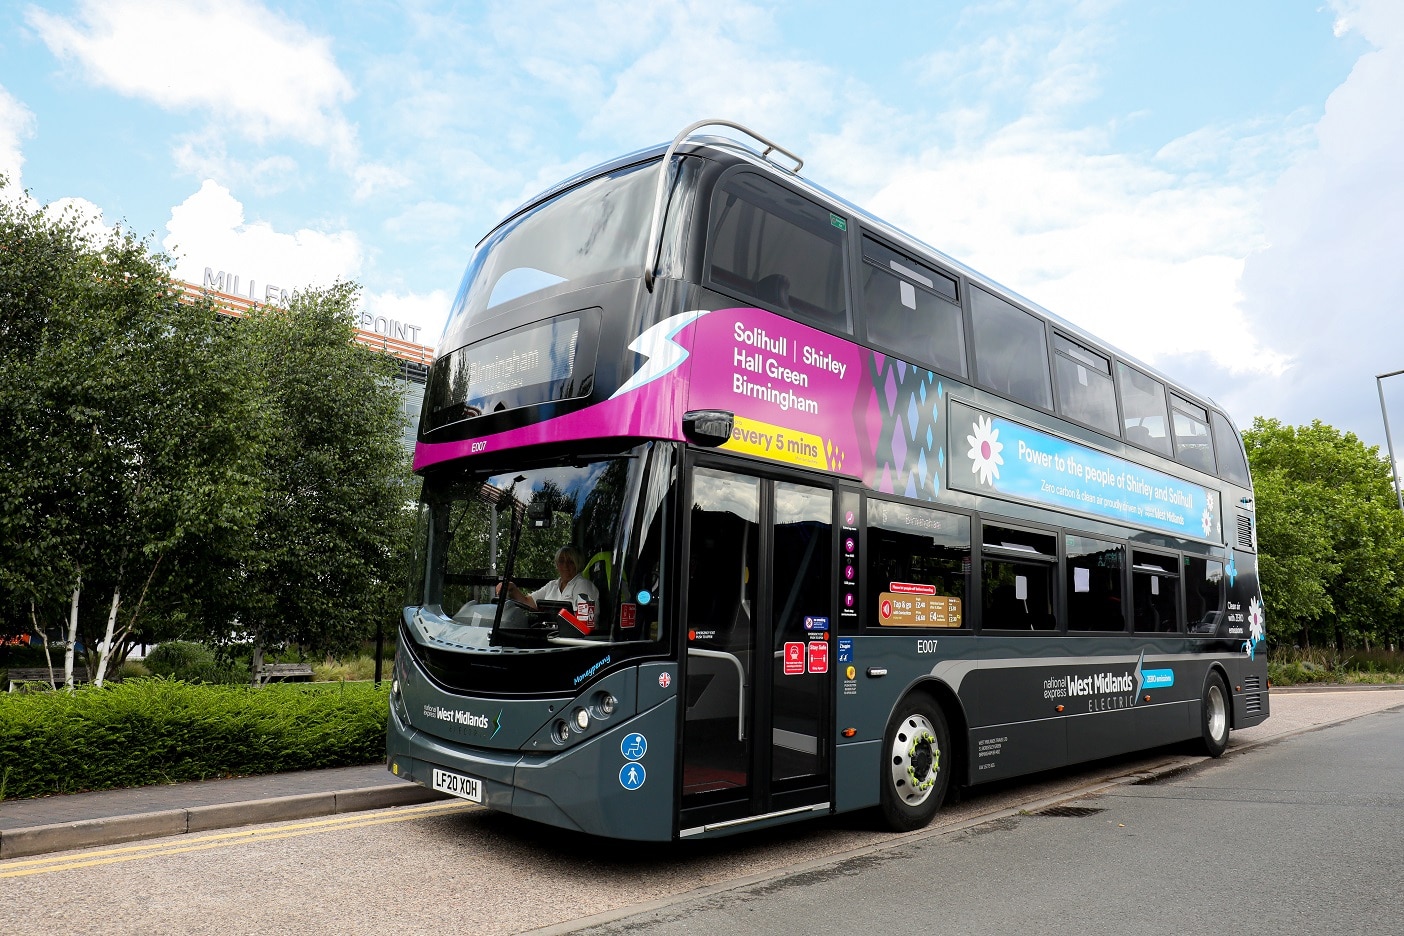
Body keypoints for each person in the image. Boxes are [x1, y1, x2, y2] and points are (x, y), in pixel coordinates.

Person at [501, 545, 600, 610]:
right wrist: (512, 588)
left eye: (570, 562)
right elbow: (528, 602)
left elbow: (584, 622)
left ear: (577, 564)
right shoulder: (552, 585)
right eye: (561, 561)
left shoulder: (584, 585)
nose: (565, 566)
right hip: (551, 635)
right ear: (556, 565)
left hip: (574, 640)